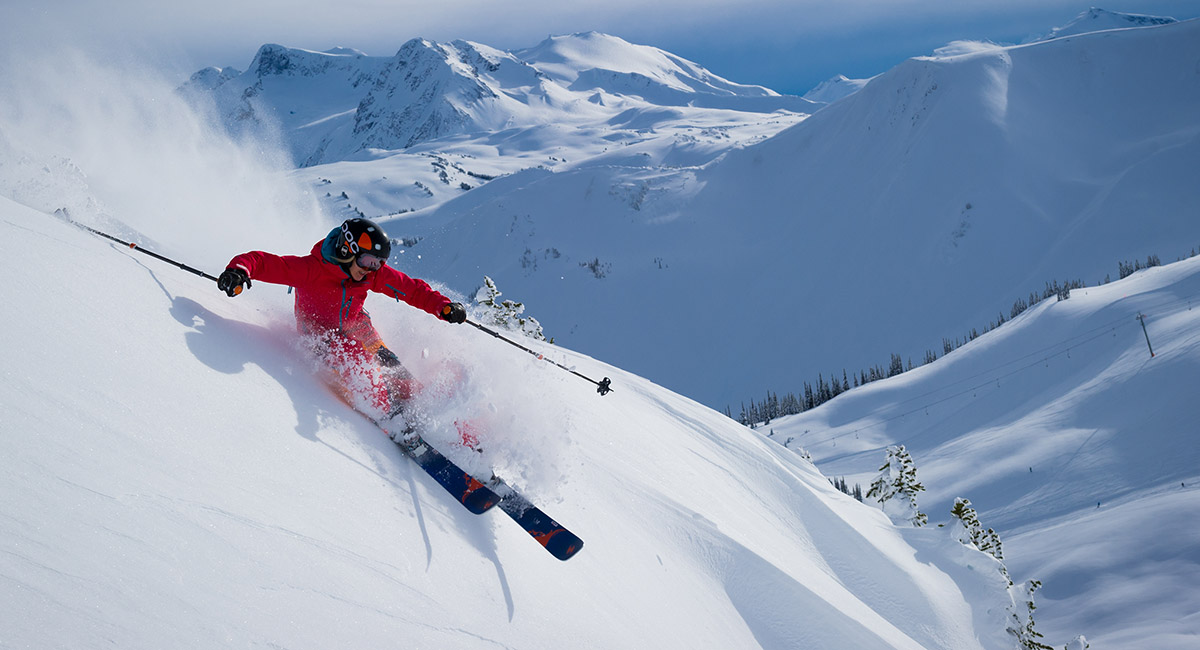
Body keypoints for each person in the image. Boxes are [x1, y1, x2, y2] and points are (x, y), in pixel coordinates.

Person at [217, 217, 466, 422]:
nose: (372, 269)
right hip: (320, 335)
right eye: (368, 261)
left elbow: (412, 289)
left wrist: (443, 307)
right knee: (362, 369)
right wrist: (239, 270)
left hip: (358, 325)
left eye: (379, 263)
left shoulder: (370, 275)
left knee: (396, 372)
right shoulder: (310, 270)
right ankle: (389, 417)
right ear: (348, 249)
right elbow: (264, 262)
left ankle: (425, 414)